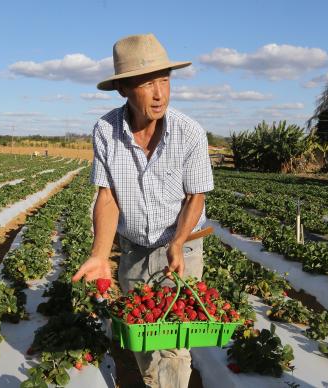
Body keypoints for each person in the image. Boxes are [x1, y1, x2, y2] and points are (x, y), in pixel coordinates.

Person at [72, 33, 214, 388]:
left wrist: (178, 243)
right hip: (134, 250)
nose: (159, 93)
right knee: (140, 331)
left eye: (164, 81)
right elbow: (108, 196)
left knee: (170, 343)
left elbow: (195, 196)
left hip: (179, 247)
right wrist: (101, 254)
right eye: (147, 83)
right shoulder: (106, 131)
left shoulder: (190, 133)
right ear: (123, 89)